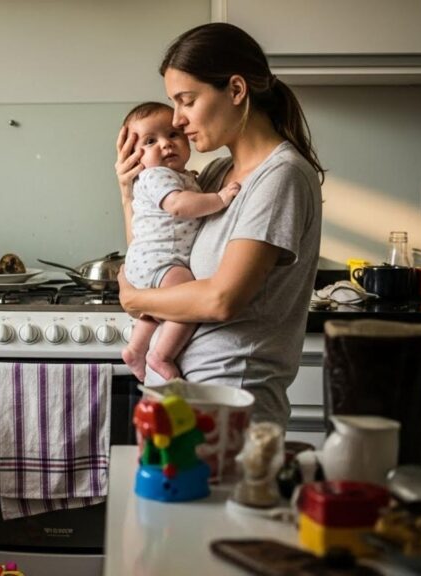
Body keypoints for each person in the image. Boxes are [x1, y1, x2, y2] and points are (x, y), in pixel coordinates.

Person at [115, 23, 325, 426]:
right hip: (182, 397)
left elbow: (221, 300)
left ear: (235, 90)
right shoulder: (214, 175)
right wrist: (129, 192)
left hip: (231, 403)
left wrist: (134, 301)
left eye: (187, 101)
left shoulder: (280, 176)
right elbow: (154, 249)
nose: (177, 120)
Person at [119, 101, 241, 381]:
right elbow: (177, 205)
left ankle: (136, 349)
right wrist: (219, 199)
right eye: (150, 141)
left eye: (173, 135)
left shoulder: (178, 176)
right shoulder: (156, 176)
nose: (166, 144)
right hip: (161, 259)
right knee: (188, 297)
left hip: (148, 261)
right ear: (135, 157)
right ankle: (160, 355)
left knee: (159, 308)